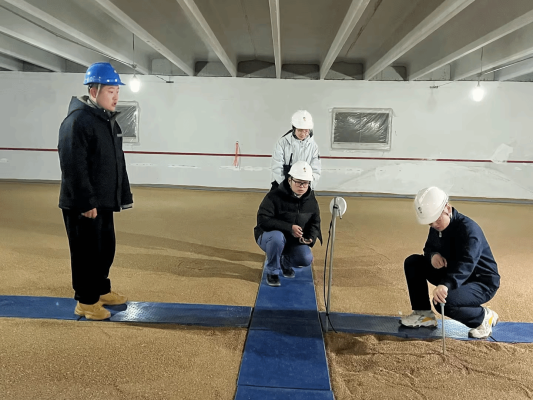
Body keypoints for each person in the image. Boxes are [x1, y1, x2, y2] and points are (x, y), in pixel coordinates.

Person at [58, 62, 133, 321]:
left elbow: (116, 162)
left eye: (117, 91)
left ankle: (101, 289)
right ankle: (86, 302)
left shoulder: (106, 121)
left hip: (103, 202)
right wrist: (85, 202)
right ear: (93, 91)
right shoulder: (77, 121)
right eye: (111, 91)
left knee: (104, 249)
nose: (116, 96)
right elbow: (73, 165)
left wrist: (121, 196)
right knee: (86, 254)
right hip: (84, 204)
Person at [401, 187, 501, 339]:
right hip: (452, 272)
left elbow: (468, 263)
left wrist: (446, 284)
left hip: (481, 282)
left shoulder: (469, 230)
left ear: (447, 208)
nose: (435, 225)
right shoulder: (437, 226)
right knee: (413, 262)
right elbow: (429, 248)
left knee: (443, 302)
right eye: (430, 223)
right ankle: (424, 315)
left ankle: (483, 317)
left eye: (437, 220)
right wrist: (433, 255)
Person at [255, 161, 322, 287]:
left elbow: (315, 222)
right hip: (268, 236)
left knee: (306, 258)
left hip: (292, 241)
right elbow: (263, 220)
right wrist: (289, 228)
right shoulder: (274, 196)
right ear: (290, 180)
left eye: (306, 183)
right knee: (277, 237)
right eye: (298, 182)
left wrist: (310, 237)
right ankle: (272, 272)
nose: (302, 186)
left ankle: (284, 262)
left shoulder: (311, 201)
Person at [271, 110, 321, 191]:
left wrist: (308, 188)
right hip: (283, 184)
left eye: (306, 131)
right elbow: (277, 167)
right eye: (300, 130)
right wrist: (285, 186)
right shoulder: (282, 143)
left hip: (304, 187)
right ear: (294, 128)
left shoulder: (314, 147)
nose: (303, 134)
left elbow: (316, 170)